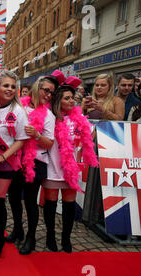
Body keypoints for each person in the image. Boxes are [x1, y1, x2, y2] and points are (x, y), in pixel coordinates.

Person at [42, 77, 99, 253]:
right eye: (67, 98)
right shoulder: (50, 118)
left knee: (68, 206)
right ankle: (50, 235)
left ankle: (66, 238)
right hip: (52, 167)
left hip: (71, 170)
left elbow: (91, 136)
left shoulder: (78, 119)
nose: (71, 101)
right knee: (50, 205)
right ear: (58, 100)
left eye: (72, 98)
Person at [6, 71, 58, 255]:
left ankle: (31, 238)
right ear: (37, 87)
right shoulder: (19, 106)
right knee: (13, 197)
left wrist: (36, 135)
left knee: (30, 201)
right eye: (46, 90)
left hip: (36, 162)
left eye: (52, 93)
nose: (48, 95)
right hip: (15, 158)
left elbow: (50, 143)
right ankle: (17, 230)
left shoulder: (49, 116)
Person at [0, 70, 30, 260]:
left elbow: (21, 140)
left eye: (13, 86)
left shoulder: (18, 111)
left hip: (6, 162)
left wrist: (4, 156)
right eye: (6, 85)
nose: (10, 89)